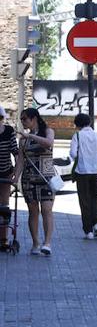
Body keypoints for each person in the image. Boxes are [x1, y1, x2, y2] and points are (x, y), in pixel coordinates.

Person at [69, 113, 97, 240]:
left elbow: (72, 153)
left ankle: (88, 231)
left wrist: (79, 158)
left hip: (83, 172)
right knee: (95, 197)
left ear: (77, 125)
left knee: (84, 201)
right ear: (89, 123)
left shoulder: (77, 136)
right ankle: (96, 223)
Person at [17, 107, 56, 256]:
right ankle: (36, 242)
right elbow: (21, 160)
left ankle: (47, 243)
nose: (23, 122)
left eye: (25, 119)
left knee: (47, 210)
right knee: (33, 212)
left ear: (34, 119)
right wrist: (15, 176)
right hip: (29, 179)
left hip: (46, 177)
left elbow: (48, 143)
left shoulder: (47, 131)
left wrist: (31, 137)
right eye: (21, 119)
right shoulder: (22, 140)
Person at [0, 107, 17, 249]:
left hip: (5, 172)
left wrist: (16, 173)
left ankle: (4, 238)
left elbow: (15, 152)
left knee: (4, 206)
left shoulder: (9, 131)